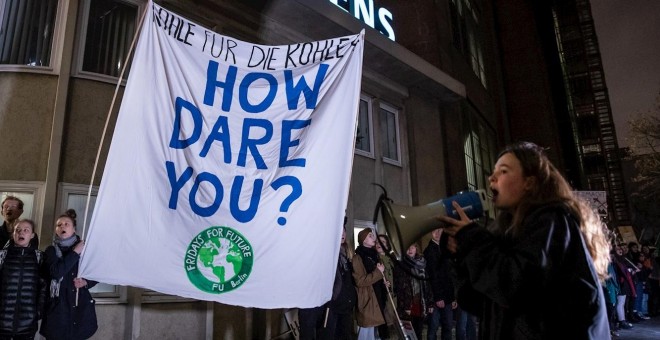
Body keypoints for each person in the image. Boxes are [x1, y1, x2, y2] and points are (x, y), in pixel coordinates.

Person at [440, 141, 611, 339]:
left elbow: (515, 287)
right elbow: (482, 303)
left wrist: (472, 239)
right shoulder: (505, 232)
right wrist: (460, 258)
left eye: (503, 171)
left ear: (529, 182)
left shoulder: (553, 220)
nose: (491, 178)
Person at [40, 209, 98, 340]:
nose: (62, 227)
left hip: (80, 308)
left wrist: (86, 282)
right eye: (59, 225)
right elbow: (56, 273)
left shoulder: (86, 250)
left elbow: (97, 273)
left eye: (67, 224)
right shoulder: (51, 251)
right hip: (58, 310)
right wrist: (75, 252)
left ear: (74, 230)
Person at [0, 219, 46, 339]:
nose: (21, 233)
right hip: (2, 321)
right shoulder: (2, 255)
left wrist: (38, 311)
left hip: (28, 321)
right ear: (13, 234)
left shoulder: (39, 256)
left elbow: (44, 286)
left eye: (26, 230)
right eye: (18, 230)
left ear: (32, 235)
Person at [352, 228, 388, 340]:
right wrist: (378, 273)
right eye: (370, 236)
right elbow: (360, 281)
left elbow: (376, 277)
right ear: (363, 240)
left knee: (375, 333)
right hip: (368, 302)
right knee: (366, 333)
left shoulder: (374, 255)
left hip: (377, 299)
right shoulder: (358, 258)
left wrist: (384, 282)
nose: (374, 238)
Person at [393, 243, 433, 339]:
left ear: (416, 248)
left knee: (418, 332)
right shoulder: (400, 265)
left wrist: (430, 303)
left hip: (420, 303)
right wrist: (405, 306)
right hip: (408, 305)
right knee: (407, 334)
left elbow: (427, 285)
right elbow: (399, 288)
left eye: (412, 247)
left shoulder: (423, 264)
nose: (410, 249)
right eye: (407, 247)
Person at [423, 228, 455, 340]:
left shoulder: (445, 249)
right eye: (434, 231)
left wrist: (453, 297)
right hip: (436, 297)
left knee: (448, 326)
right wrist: (439, 297)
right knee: (433, 327)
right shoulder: (429, 251)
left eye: (440, 230)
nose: (437, 233)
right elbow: (433, 276)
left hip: (448, 296)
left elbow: (450, 275)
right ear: (431, 233)